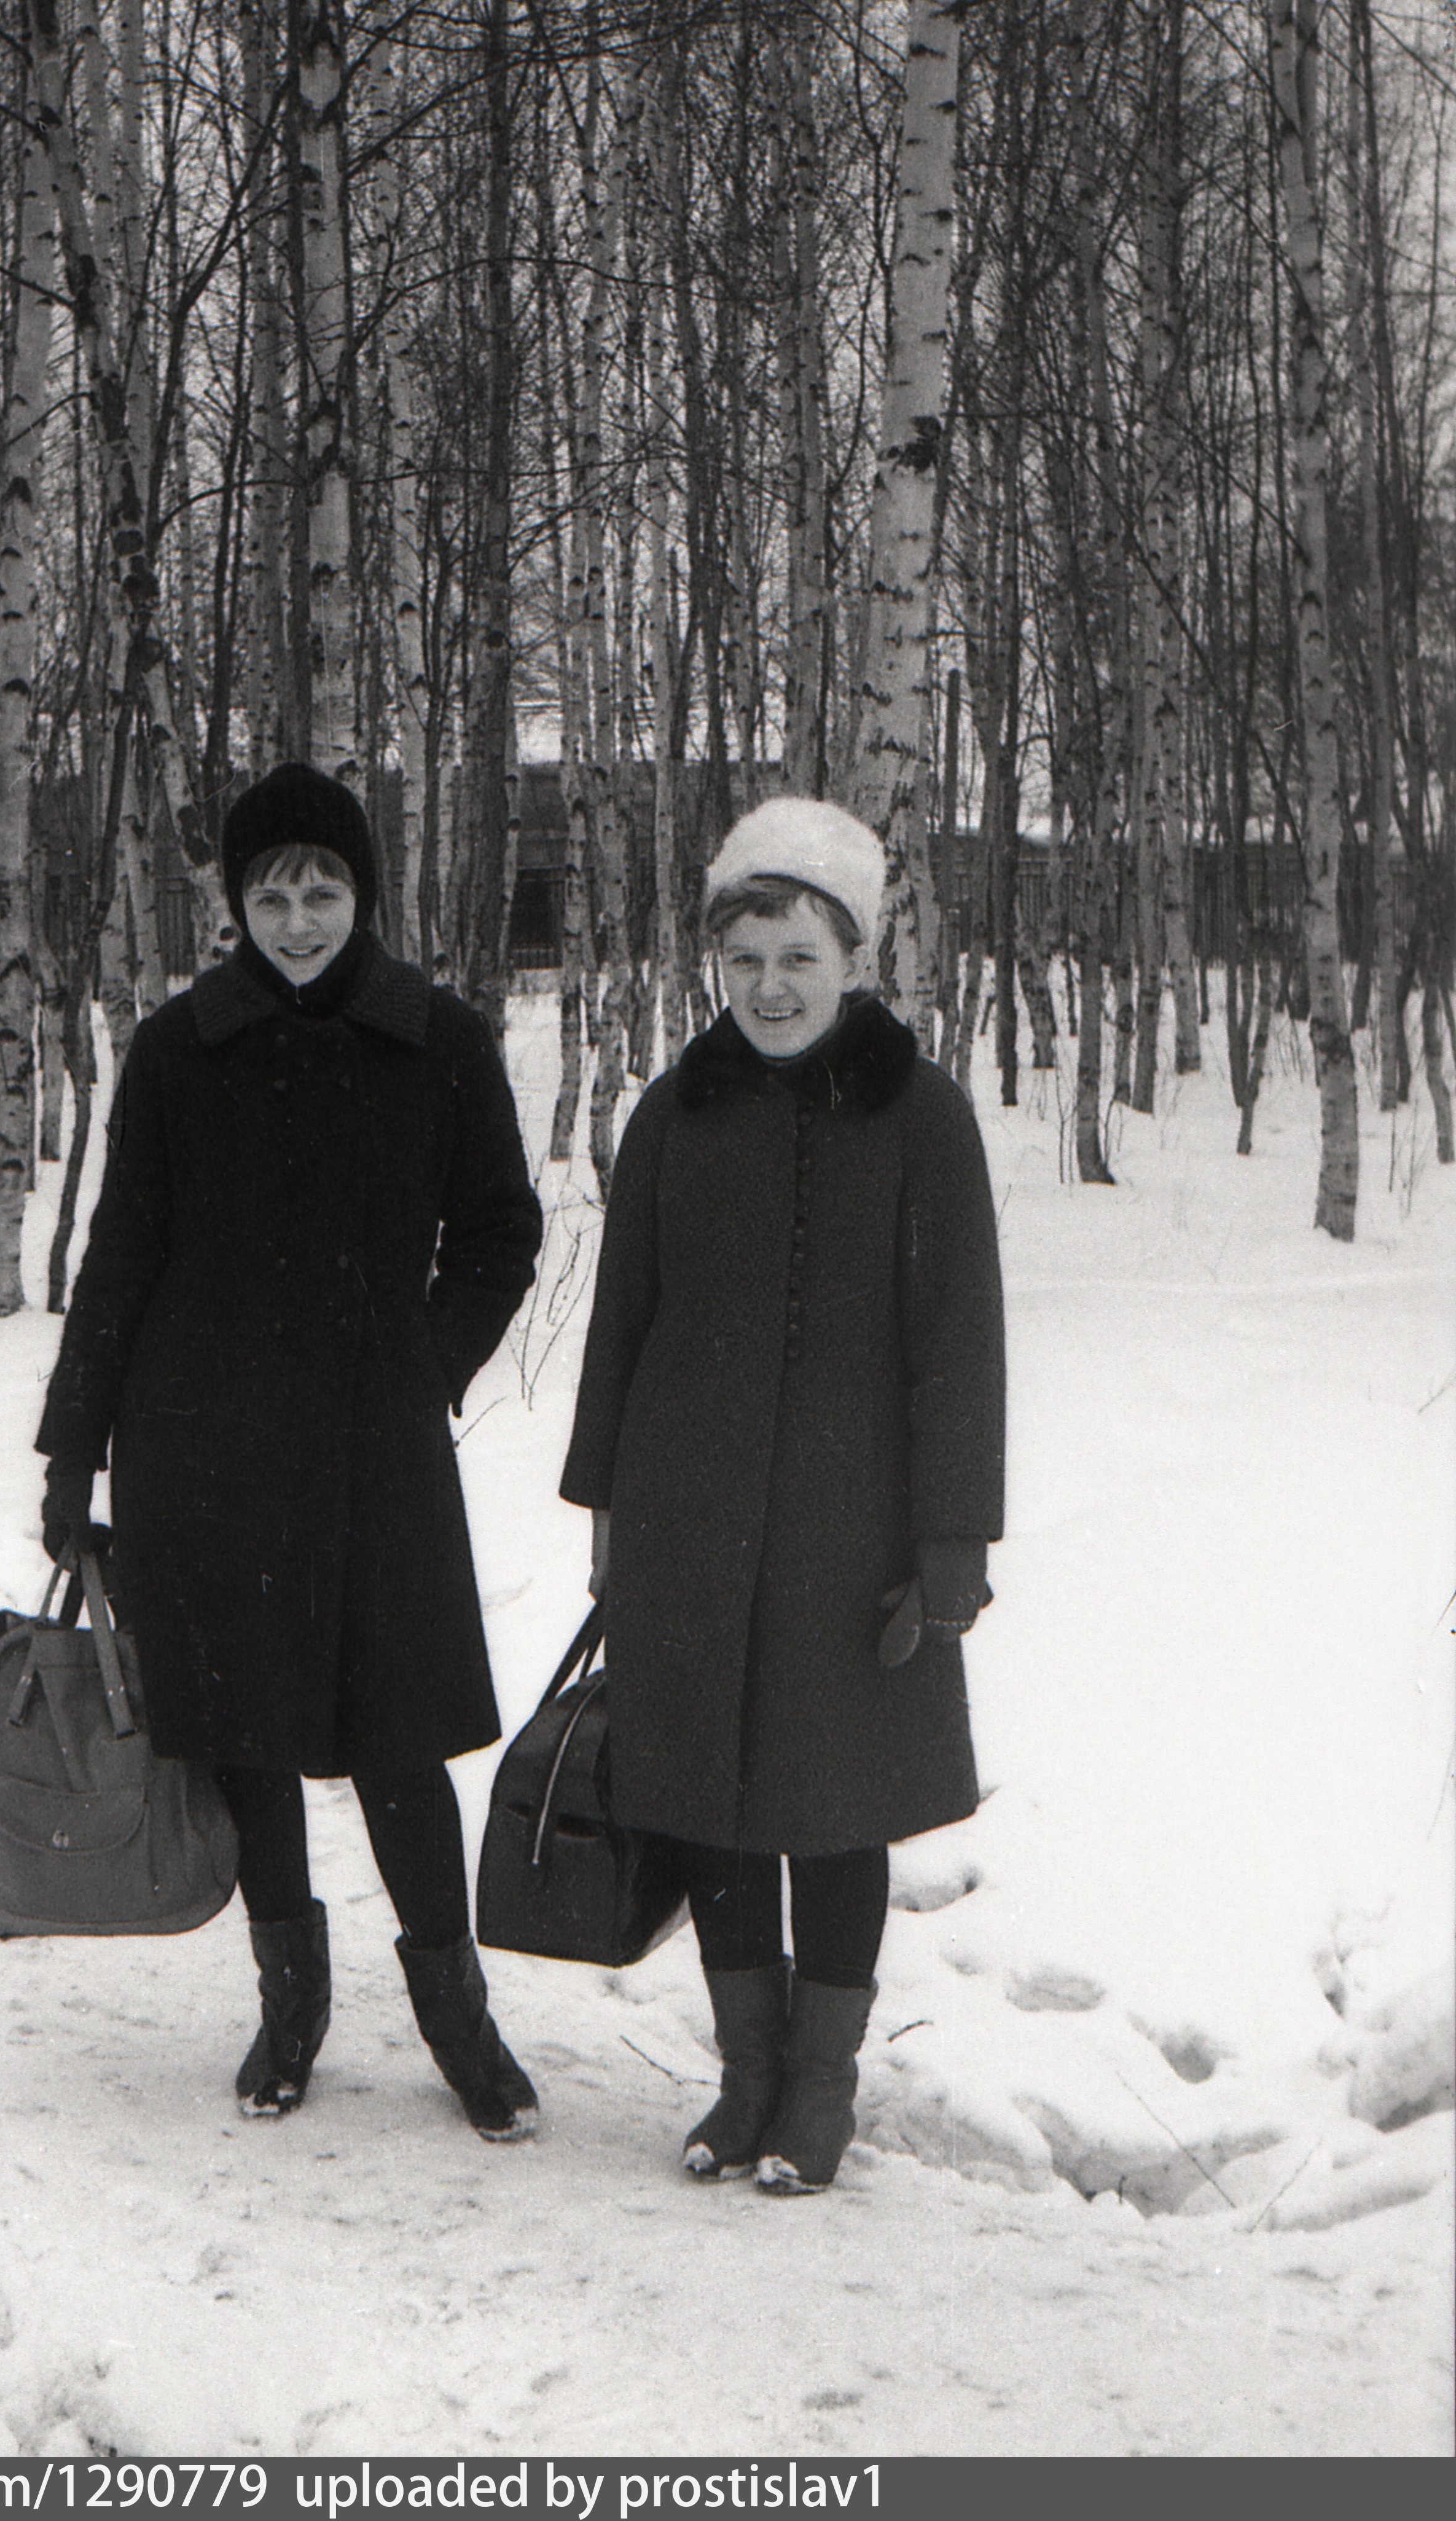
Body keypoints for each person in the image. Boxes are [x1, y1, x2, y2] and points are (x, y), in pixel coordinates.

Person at [36, 762, 545, 2141]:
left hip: (375, 1452)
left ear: (362, 893)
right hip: (202, 1446)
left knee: (399, 1738)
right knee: (246, 1736)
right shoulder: (176, 1049)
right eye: (272, 894)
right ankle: (291, 2006)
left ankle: (458, 2022)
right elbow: (121, 1255)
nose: (300, 918)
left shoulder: (438, 1039)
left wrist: (424, 1366)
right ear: (236, 904)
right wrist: (72, 1450)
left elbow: (501, 1231)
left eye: (323, 890)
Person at [560, 796, 1006, 2192]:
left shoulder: (923, 1117)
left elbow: (961, 1343)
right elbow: (620, 1326)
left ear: (854, 957)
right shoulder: (674, 1111)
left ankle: (820, 2089)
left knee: (834, 1806)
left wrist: (951, 1543)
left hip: (848, 1533)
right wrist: (607, 1518)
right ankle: (746, 2075)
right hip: (685, 1520)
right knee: (710, 1804)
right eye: (744, 958)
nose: (769, 987)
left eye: (799, 956)